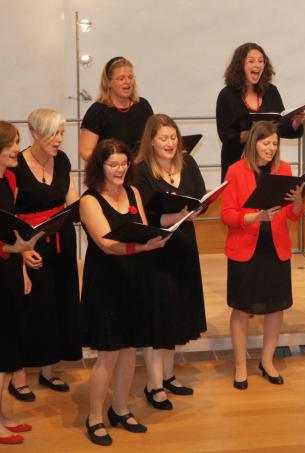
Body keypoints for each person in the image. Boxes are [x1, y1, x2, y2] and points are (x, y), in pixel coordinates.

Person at [80, 138, 169, 446]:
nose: (120, 169)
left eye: (123, 164)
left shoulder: (132, 192)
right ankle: (94, 417)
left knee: (130, 348)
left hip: (135, 277)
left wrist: (154, 239)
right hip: (105, 281)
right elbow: (106, 244)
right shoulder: (89, 200)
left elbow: (142, 225)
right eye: (113, 164)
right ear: (99, 167)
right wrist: (143, 245)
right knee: (108, 353)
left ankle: (120, 408)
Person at [221, 121, 304, 390]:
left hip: (275, 246)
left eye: (275, 144)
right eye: (266, 143)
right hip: (246, 246)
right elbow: (226, 215)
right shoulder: (236, 171)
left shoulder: (285, 170)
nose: (271, 148)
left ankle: (267, 361)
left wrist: (299, 200)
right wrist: (254, 216)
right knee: (242, 308)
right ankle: (241, 365)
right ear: (254, 142)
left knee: (275, 307)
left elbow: (292, 215)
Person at [133, 114, 207, 408]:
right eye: (163, 138)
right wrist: (178, 215)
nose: (169, 143)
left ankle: (168, 374)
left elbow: (200, 198)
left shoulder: (188, 164)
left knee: (177, 309)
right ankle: (153, 385)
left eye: (173, 137)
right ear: (151, 140)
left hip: (184, 244)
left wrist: (194, 210)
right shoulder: (141, 171)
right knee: (158, 316)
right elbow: (146, 215)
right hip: (157, 247)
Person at [8, 109, 81, 402]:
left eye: (62, 133)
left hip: (61, 239)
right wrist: (23, 251)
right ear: (36, 134)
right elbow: (9, 215)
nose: (60, 139)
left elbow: (72, 198)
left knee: (60, 302)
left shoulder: (61, 160)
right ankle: (19, 375)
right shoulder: (16, 166)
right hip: (30, 244)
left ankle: (49, 370)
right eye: (55, 133)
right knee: (30, 308)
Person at [0, 121, 43, 445]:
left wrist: (23, 261)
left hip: (10, 269)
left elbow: (12, 231)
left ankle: (1, 414)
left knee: (9, 346)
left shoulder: (9, 178)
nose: (18, 148)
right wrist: (11, 249)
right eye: (13, 143)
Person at [216, 42, 305, 181]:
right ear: (240, 65)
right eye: (251, 61)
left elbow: (281, 127)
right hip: (237, 162)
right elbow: (226, 137)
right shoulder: (227, 95)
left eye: (261, 61)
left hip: (266, 163)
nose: (257, 65)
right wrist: (252, 134)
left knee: (266, 199)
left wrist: (295, 123)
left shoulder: (271, 92)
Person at [79, 57, 154, 161]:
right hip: (110, 174)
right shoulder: (97, 111)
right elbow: (85, 151)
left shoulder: (143, 106)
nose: (127, 82)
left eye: (130, 77)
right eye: (121, 78)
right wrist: (112, 162)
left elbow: (152, 140)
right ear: (108, 82)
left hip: (140, 172)